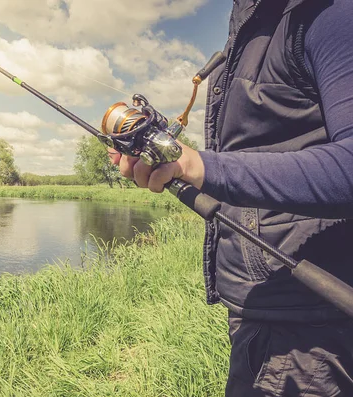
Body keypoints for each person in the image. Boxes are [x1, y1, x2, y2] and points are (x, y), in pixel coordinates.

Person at [109, 0, 353, 395]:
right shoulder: (247, 35)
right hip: (255, 306)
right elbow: (255, 160)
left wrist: (198, 166)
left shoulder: (329, 13)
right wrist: (172, 163)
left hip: (310, 325)